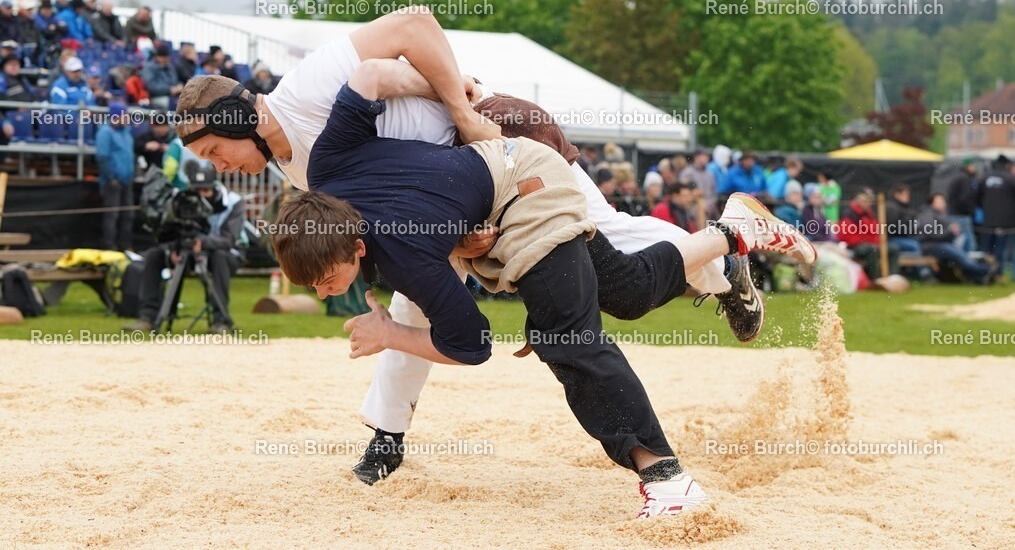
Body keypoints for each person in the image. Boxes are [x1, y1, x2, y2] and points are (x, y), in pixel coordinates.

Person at [173, 6, 762, 485]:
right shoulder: (288, 161)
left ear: (231, 118)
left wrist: (458, 101)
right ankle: (388, 435)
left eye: (212, 152)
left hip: (495, 138)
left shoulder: (306, 89)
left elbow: (414, 26)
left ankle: (723, 261)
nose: (220, 166)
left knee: (609, 240)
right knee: (413, 300)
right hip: (456, 195)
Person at [267, 67, 814, 517]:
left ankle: (667, 479)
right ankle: (732, 234)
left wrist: (390, 332)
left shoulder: (400, 249)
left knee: (566, 335)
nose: (320, 294)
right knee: (624, 289)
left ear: (354, 247)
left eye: (321, 280)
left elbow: (472, 344)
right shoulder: (332, 170)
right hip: (510, 168)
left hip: (517, 158)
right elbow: (369, 81)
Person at [124, 160, 244, 334]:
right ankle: (147, 317)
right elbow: (169, 232)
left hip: (226, 254)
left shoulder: (233, 202)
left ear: (214, 188)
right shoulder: (181, 201)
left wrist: (202, 243)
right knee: (154, 255)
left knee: (219, 256)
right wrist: (173, 249)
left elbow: (229, 239)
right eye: (197, 191)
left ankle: (221, 321)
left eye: (206, 191)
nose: (201, 196)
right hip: (186, 251)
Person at [916, 193, 994, 284]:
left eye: (943, 201)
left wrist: (953, 232)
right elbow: (931, 233)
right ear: (931, 203)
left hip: (942, 244)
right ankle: (986, 271)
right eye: (939, 201)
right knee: (961, 258)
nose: (942, 203)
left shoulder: (941, 215)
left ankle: (980, 275)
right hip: (932, 246)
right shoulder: (928, 215)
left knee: (962, 256)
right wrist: (950, 231)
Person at [95, 103, 135, 251]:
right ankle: (109, 245)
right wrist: (111, 177)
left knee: (128, 215)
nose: (128, 118)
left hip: (127, 180)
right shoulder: (105, 132)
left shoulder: (126, 132)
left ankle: (125, 245)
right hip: (112, 182)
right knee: (112, 215)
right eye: (125, 115)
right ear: (116, 116)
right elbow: (102, 157)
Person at [837, 189, 894, 280]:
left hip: (870, 244)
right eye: (866, 200)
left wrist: (876, 242)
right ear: (859, 200)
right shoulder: (849, 214)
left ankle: (891, 278)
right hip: (853, 247)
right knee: (871, 249)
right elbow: (846, 236)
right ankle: (874, 279)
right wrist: (868, 241)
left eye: (870, 200)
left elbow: (875, 231)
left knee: (893, 249)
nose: (869, 203)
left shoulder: (869, 214)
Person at [946, 160, 979, 253]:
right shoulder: (965, 179)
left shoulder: (957, 177)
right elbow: (965, 198)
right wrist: (970, 211)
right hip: (961, 215)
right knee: (970, 245)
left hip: (953, 214)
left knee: (958, 243)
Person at [885, 183, 923, 259]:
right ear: (896, 194)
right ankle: (922, 270)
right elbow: (893, 228)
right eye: (905, 194)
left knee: (921, 243)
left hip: (905, 237)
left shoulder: (904, 208)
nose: (907, 197)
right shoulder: (891, 207)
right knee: (915, 246)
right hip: (893, 239)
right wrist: (910, 229)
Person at [142, 43, 183, 108]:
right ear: (157, 57)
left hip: (172, 96)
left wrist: (179, 86)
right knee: (176, 104)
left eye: (167, 58)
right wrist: (169, 90)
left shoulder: (170, 67)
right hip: (156, 97)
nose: (166, 60)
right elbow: (151, 87)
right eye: (164, 58)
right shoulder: (149, 68)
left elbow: (175, 80)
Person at [681, 147, 718, 219]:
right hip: (693, 211)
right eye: (704, 156)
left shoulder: (710, 174)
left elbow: (714, 194)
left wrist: (709, 205)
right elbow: (684, 194)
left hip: (710, 211)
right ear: (697, 157)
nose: (707, 158)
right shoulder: (687, 173)